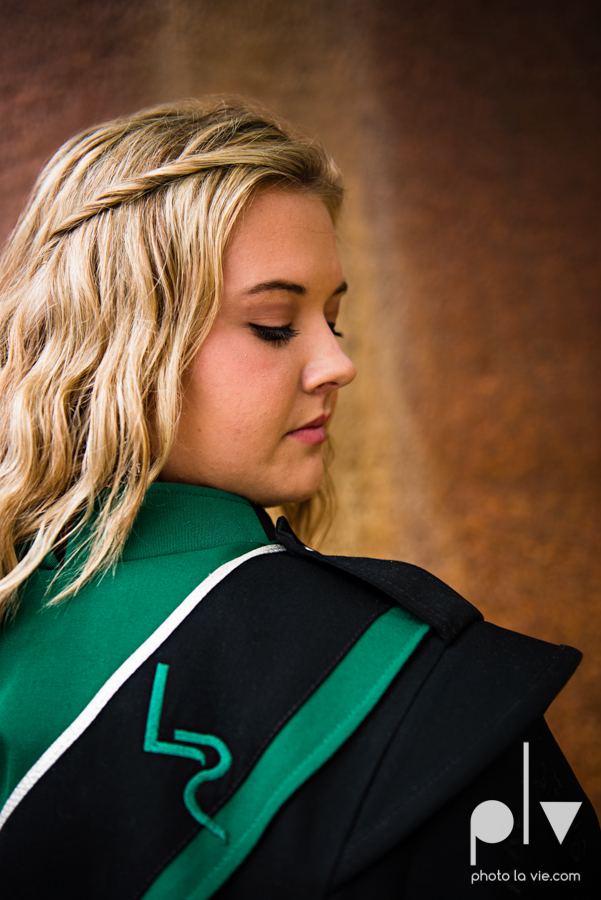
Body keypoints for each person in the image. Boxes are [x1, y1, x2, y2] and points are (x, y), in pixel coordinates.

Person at [0, 100, 598, 899]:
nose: (336, 364)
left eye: (335, 320)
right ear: (123, 342)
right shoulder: (424, 689)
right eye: (276, 323)